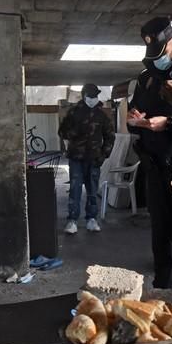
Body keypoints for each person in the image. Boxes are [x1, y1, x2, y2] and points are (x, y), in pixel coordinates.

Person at [127, 16, 172, 289]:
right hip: (156, 168)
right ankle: (162, 288)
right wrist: (135, 119)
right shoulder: (146, 77)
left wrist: (168, 123)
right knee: (160, 233)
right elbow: (134, 111)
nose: (155, 60)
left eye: (160, 53)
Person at [59, 84, 115, 234]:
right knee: (75, 189)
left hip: (94, 158)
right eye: (91, 96)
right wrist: (74, 131)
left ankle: (91, 219)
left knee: (92, 189)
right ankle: (72, 221)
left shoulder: (101, 115)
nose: (93, 99)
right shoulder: (73, 113)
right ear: (84, 96)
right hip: (76, 158)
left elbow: (110, 136)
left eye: (95, 96)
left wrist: (104, 155)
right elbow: (62, 132)